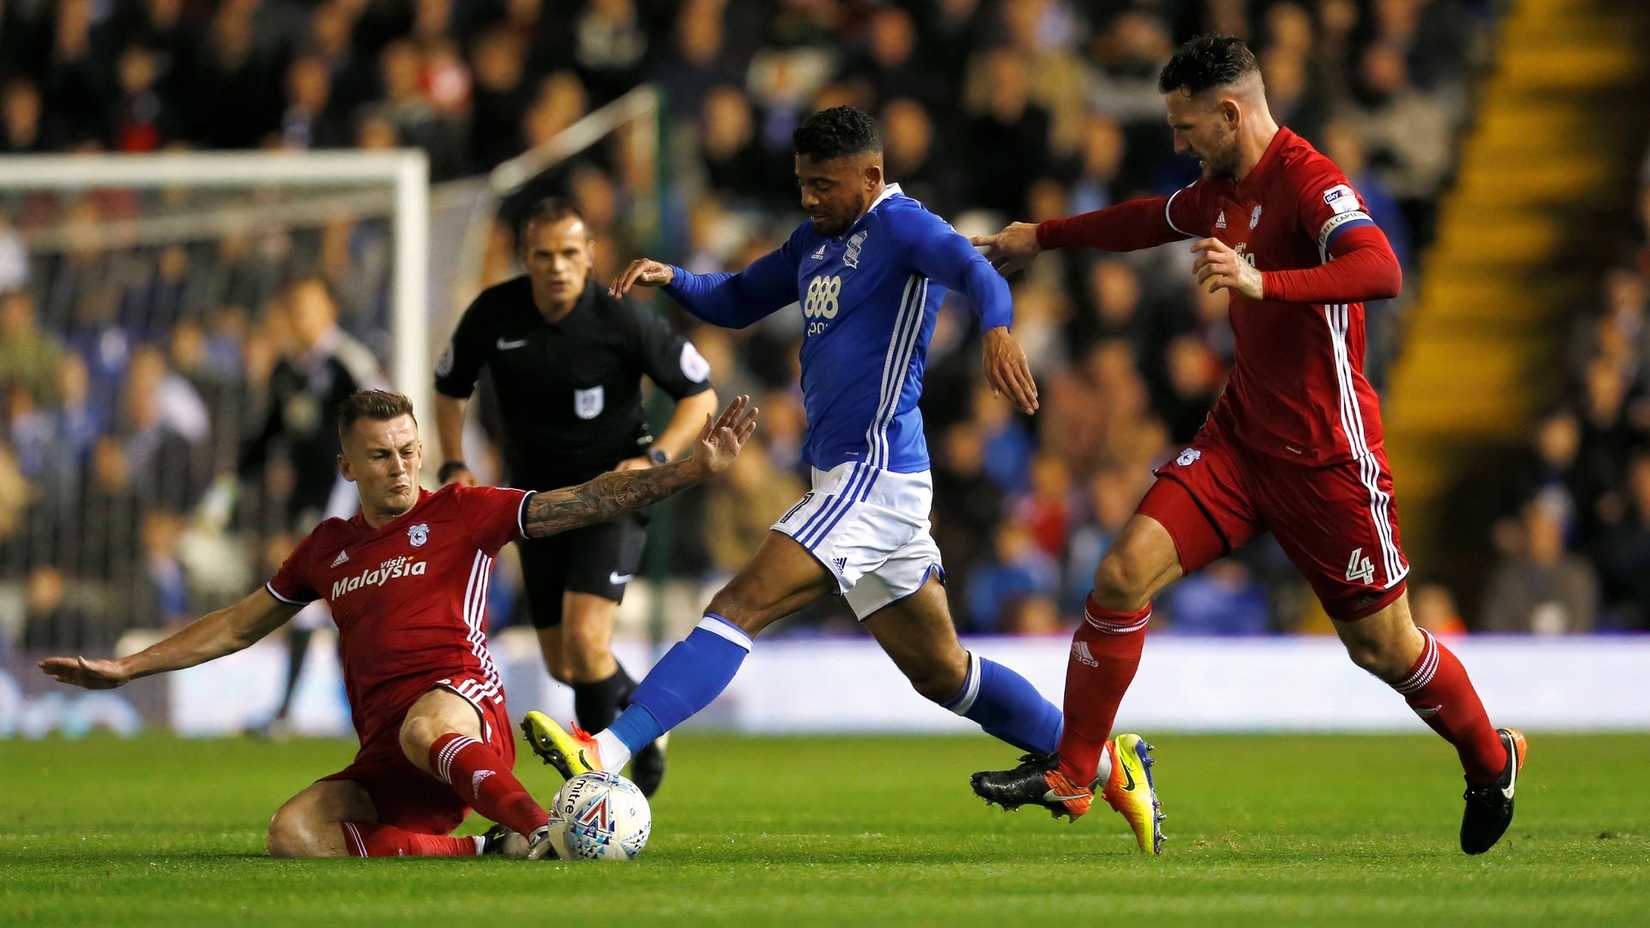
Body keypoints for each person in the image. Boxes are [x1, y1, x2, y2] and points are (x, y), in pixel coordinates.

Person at [521, 106, 1166, 855]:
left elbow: (975, 270)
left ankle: (604, 750)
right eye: (802, 184)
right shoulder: (815, 241)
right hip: (860, 479)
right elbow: (737, 297)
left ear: (871, 175)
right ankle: (1111, 763)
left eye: (824, 185)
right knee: (943, 672)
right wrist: (675, 279)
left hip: (873, 472)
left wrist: (996, 327)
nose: (809, 199)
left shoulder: (904, 228)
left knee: (739, 603)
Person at [968, 35, 1525, 855]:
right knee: (1122, 574)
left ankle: (1490, 757)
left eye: (1187, 126)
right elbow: (1143, 222)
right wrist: (1042, 238)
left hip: (1327, 456)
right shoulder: (1217, 189)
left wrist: (1268, 283)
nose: (1177, 143)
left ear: (1231, 113)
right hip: (1239, 441)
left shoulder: (1311, 181)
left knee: (1383, 645)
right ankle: (1075, 773)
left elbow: (1382, 269)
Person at [40, 388, 758, 859]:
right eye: (381, 455)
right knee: (291, 836)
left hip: (462, 713)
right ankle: (485, 852)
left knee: (426, 725)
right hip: (386, 750)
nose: (401, 466)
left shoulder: (462, 511)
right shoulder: (326, 548)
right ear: (348, 463)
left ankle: (544, 827)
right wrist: (128, 668)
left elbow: (588, 499)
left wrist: (688, 471)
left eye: (409, 450)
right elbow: (236, 626)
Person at [433, 197, 719, 797]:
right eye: (544, 255)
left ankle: (598, 781)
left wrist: (655, 457)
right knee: (565, 663)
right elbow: (450, 386)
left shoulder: (622, 318)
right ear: (525, 259)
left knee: (588, 644)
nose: (558, 266)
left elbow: (701, 395)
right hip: (535, 506)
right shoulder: (494, 312)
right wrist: (456, 459)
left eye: (570, 252)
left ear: (591, 255)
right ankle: (646, 717)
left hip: (613, 495)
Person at [212, 276, 386, 738]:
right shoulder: (287, 371)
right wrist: (229, 488)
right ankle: (348, 711)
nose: (303, 316)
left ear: (331, 309)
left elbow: (385, 425)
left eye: (311, 305)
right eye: (297, 307)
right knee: (330, 599)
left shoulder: (350, 365)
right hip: (307, 503)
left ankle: (302, 710)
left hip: (352, 498)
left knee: (332, 597)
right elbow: (267, 435)